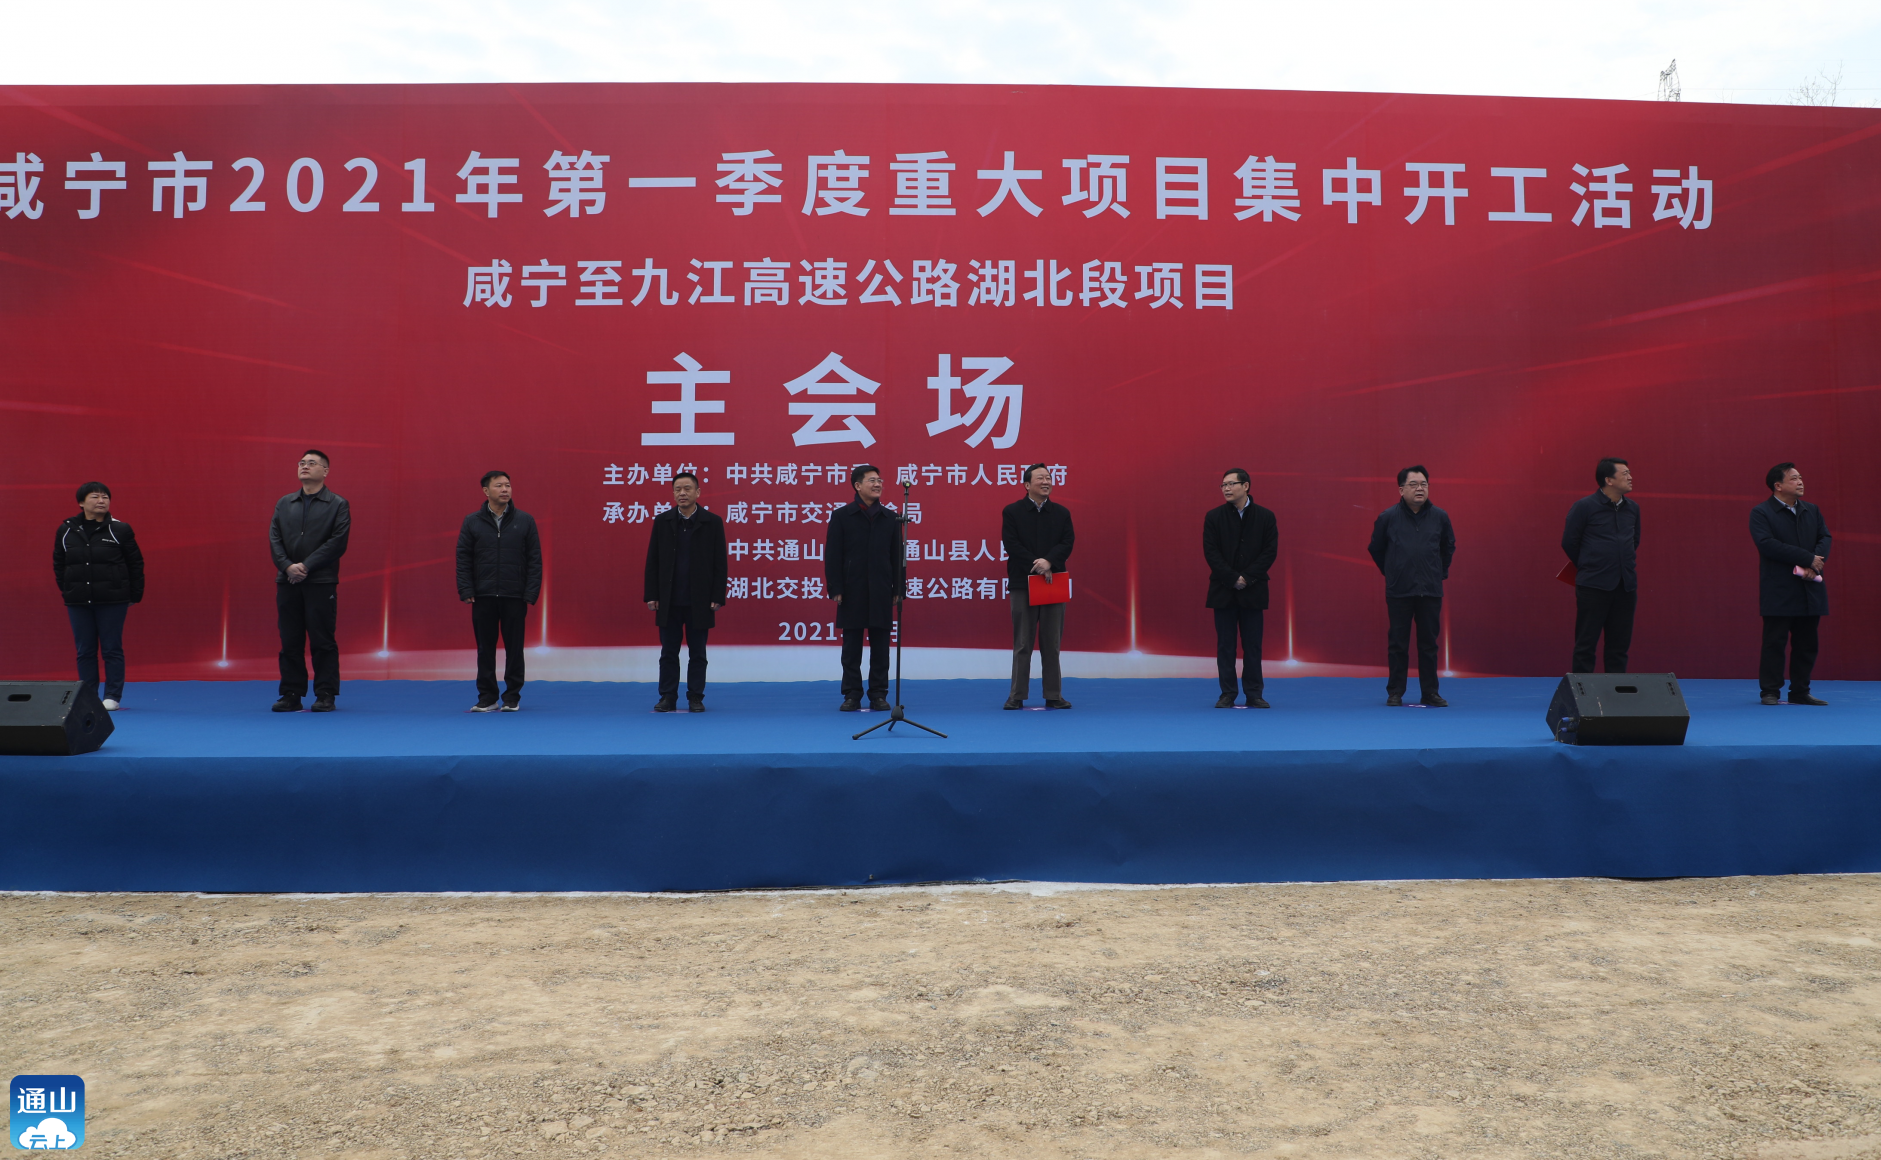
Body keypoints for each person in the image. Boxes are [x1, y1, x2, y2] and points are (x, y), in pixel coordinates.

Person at [269, 449, 350, 712]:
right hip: (288, 581)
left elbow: (337, 542)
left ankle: (325, 693)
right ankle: (291, 693)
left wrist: (305, 566)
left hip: (321, 581)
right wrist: (287, 566)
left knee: (322, 639)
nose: (305, 466)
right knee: (290, 640)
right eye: (302, 462)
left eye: (312, 463)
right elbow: (275, 539)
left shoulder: (337, 504)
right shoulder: (284, 503)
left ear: (325, 471)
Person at [1368, 465, 1456, 707]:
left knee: (1429, 644)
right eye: (1414, 484)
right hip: (1399, 590)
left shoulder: (1440, 516)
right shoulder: (1388, 517)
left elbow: (1448, 547)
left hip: (1430, 590)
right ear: (1401, 489)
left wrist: (1438, 573)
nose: (1420, 489)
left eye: (1424, 484)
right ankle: (1395, 691)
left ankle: (1430, 692)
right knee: (1398, 643)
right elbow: (1376, 548)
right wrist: (1392, 572)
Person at [53, 481, 145, 711]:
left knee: (111, 648)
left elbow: (135, 563)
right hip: (78, 601)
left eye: (105, 497)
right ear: (81, 502)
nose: (101, 501)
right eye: (95, 497)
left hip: (112, 599)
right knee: (84, 650)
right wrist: (68, 590)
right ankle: (89, 695)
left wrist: (134, 595)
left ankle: (112, 695)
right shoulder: (66, 530)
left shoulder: (120, 529)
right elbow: (59, 563)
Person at [456, 470, 543, 712]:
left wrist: (530, 593)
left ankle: (512, 696)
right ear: (486, 491)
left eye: (508, 485)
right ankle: (487, 697)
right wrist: (466, 588)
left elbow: (534, 560)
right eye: (499, 486)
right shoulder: (472, 521)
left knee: (515, 649)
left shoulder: (525, 520)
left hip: (514, 595)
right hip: (483, 595)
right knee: (485, 649)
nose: (505, 490)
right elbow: (463, 558)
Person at [643, 471, 728, 713]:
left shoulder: (712, 522)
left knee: (698, 653)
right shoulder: (663, 521)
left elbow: (720, 563)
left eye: (687, 488)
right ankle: (668, 696)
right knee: (668, 652)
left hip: (700, 600)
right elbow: (653, 560)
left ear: (698, 492)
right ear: (673, 493)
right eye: (678, 489)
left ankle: (695, 697)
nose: (682, 493)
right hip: (669, 599)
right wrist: (652, 594)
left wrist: (717, 596)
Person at [1750, 462, 1831, 706]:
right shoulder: (1762, 512)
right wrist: (1807, 559)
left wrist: (1814, 564)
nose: (1800, 482)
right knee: (1774, 642)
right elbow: (1767, 544)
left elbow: (1824, 537)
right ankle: (1770, 691)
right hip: (1780, 588)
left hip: (1809, 586)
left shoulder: (1811, 510)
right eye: (1794, 478)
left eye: (1800, 477)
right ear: (1778, 486)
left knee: (1807, 643)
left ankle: (1800, 691)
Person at [825, 464, 902, 712]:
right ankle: (852, 694)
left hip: (881, 589)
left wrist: (898, 588)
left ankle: (878, 694)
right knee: (851, 648)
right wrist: (835, 587)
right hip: (852, 589)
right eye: (872, 480)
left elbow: (897, 556)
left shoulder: (891, 518)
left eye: (879, 480)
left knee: (881, 646)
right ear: (857, 486)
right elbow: (833, 555)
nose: (878, 484)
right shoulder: (842, 516)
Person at [1002, 464, 1076, 710]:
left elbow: (1067, 542)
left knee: (1051, 643)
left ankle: (1053, 695)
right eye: (1040, 478)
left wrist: (1049, 562)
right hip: (1023, 582)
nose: (1046, 482)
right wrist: (1038, 564)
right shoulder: (1012, 511)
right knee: (1023, 643)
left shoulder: (1061, 513)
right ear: (1027, 485)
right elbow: (1011, 544)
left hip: (1053, 582)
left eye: (1048, 478)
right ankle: (1017, 695)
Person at [1203, 468, 1278, 708]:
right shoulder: (1214, 517)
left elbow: (1269, 552)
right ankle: (1227, 693)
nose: (1226, 488)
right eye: (1223, 485)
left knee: (1253, 646)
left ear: (1246, 486)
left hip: (1253, 589)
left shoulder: (1265, 516)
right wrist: (1233, 578)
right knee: (1226, 646)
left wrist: (1247, 577)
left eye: (1231, 484)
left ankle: (1254, 693)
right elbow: (1211, 553)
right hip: (1223, 590)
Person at [1562, 457, 1640, 674]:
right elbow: (1569, 542)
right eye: (1625, 473)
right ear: (1609, 480)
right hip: (1593, 586)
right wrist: (1591, 565)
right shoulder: (1584, 507)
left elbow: (1634, 542)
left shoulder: (1633, 509)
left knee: (1619, 647)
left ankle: (1616, 690)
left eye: (1629, 472)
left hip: (1625, 586)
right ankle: (1583, 690)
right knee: (1586, 645)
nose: (1630, 477)